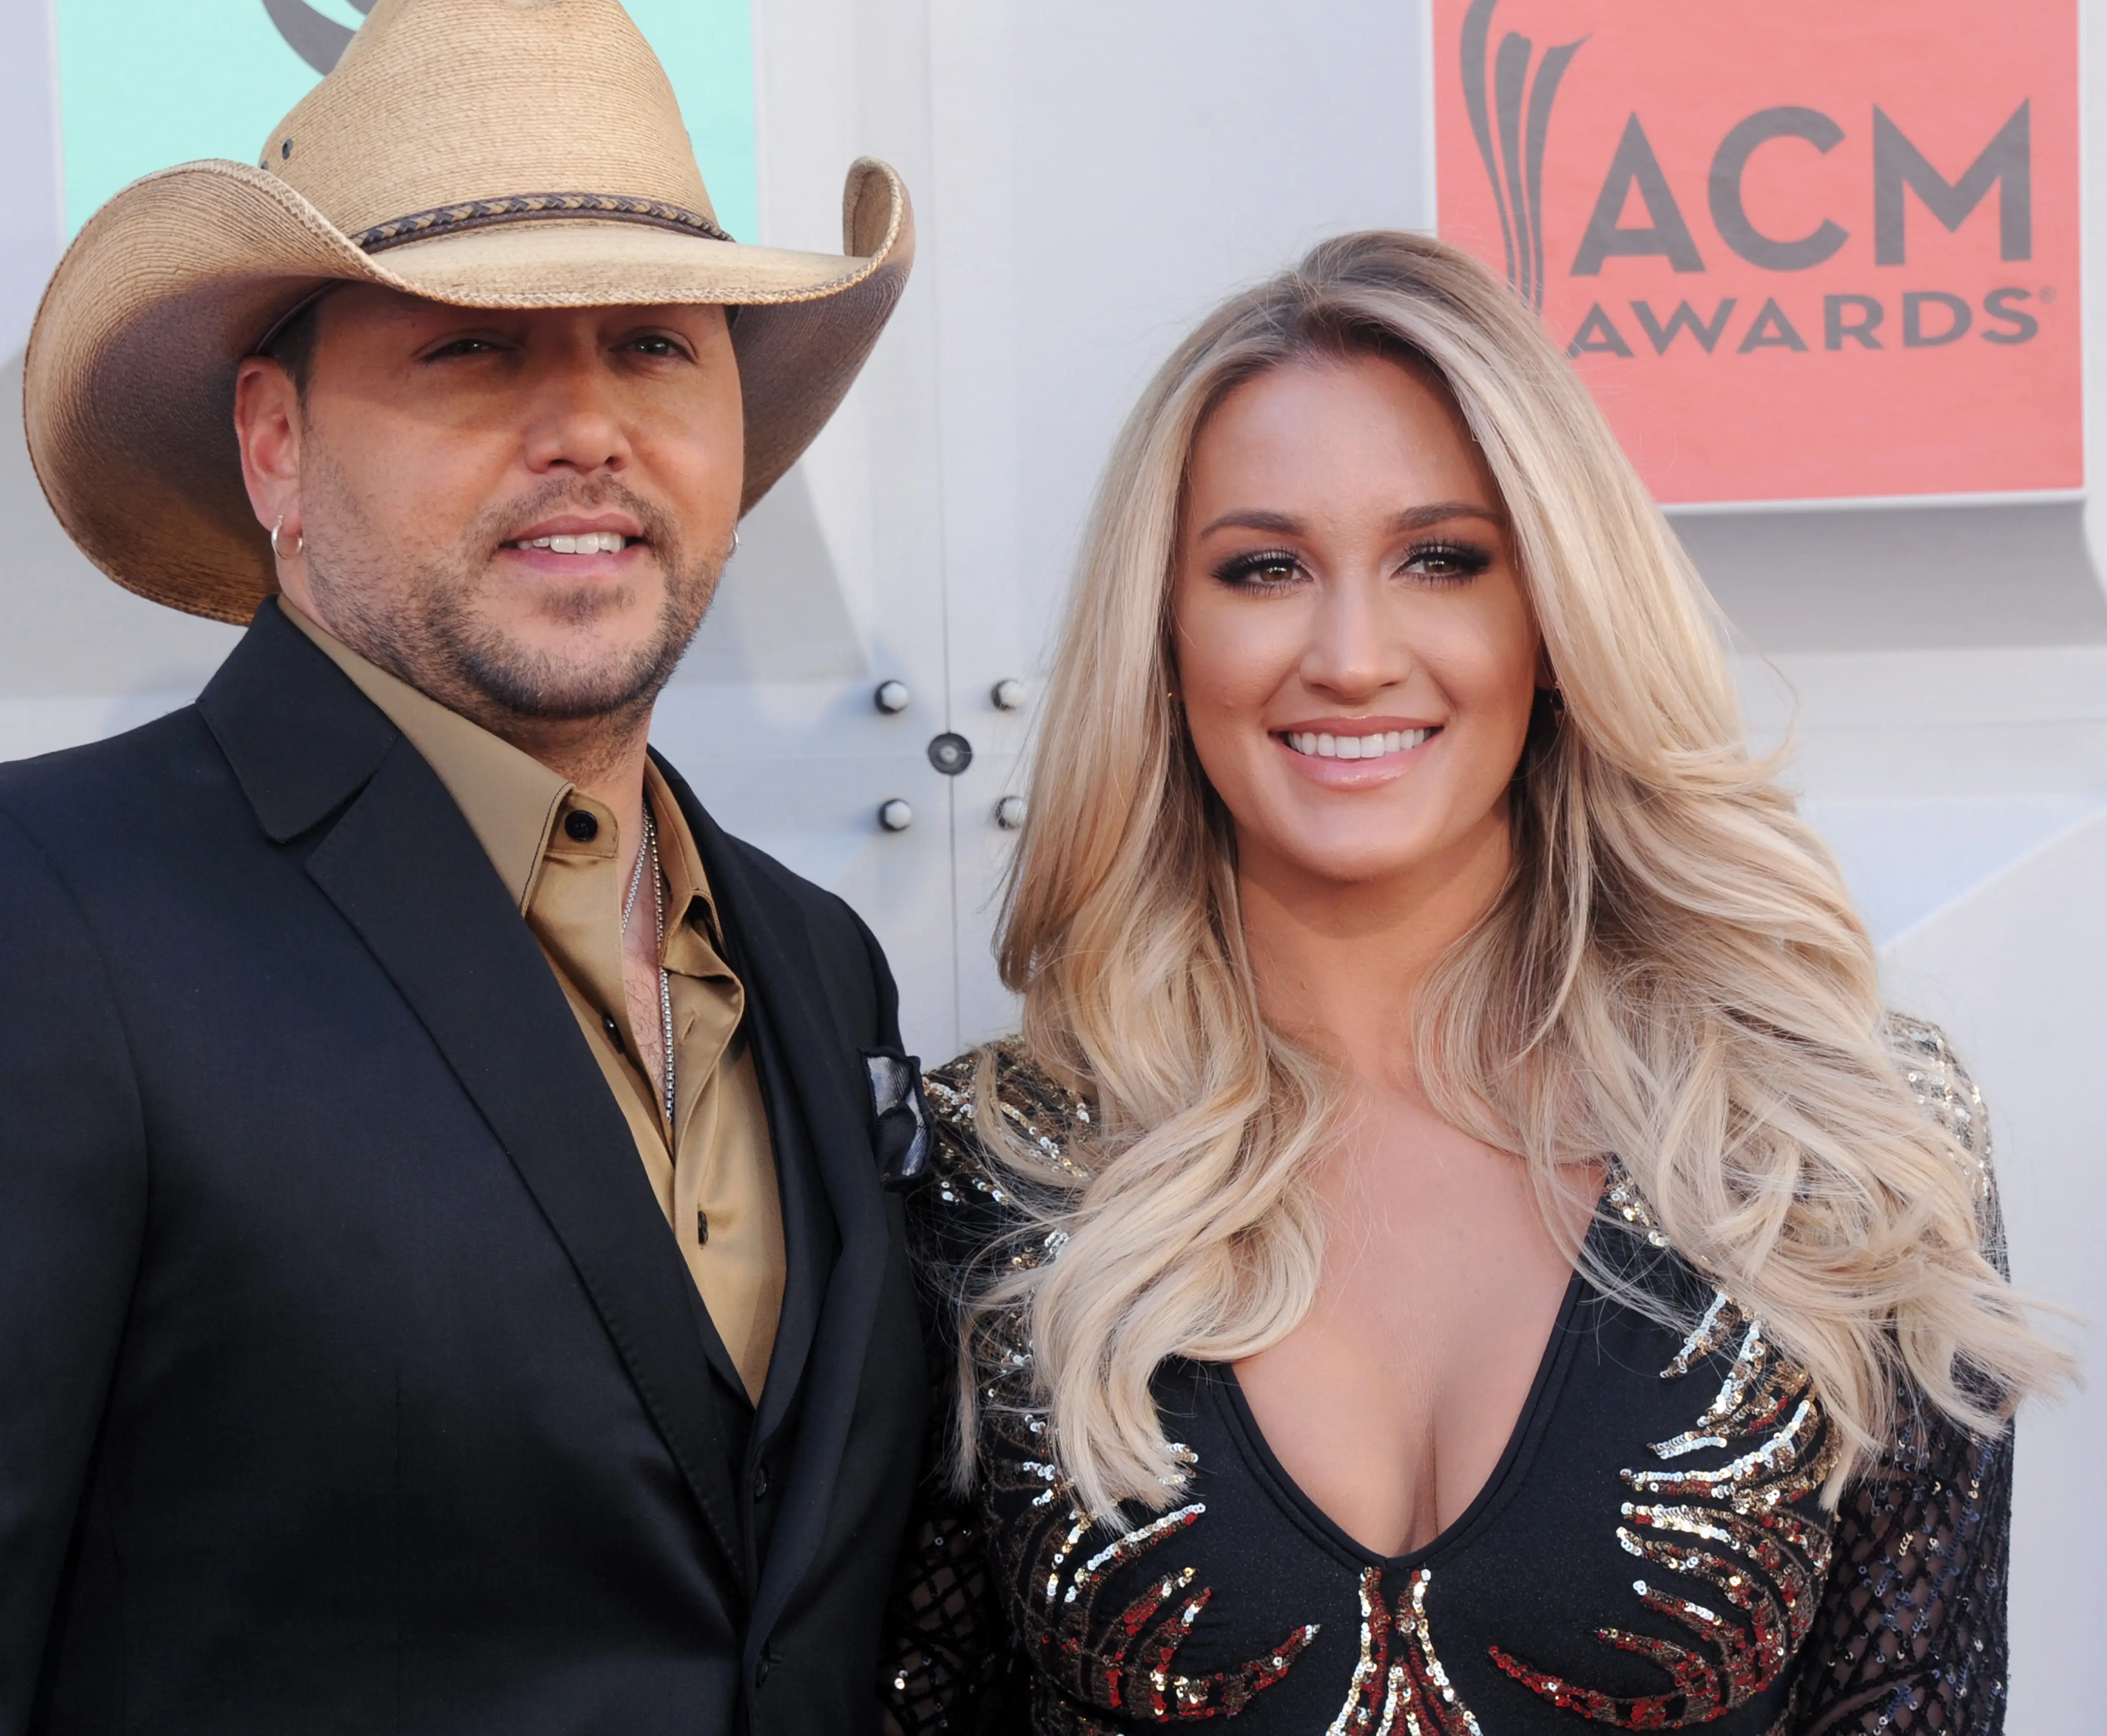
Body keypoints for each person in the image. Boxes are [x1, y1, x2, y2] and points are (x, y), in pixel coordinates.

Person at [0, 0, 932, 1734]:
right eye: (474, 346)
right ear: (274, 443)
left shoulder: (816, 963)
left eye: (655, 343)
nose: (587, 428)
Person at [876, 232, 2067, 1734]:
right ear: (1164, 640)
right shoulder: (989, 1170)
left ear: (1554, 618)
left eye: (1441, 558)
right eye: (1264, 568)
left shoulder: (1832, 1143)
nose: (1352, 655)